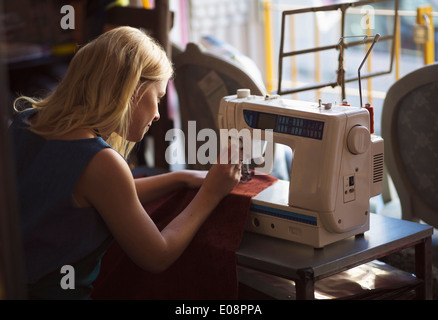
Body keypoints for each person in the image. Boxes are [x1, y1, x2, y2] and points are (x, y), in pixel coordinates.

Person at [9, 26, 241, 299]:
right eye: (158, 98)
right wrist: (210, 193)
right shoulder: (100, 161)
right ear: (131, 90)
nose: (157, 115)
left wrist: (182, 177)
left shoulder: (28, 122)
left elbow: (103, 194)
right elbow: (158, 255)